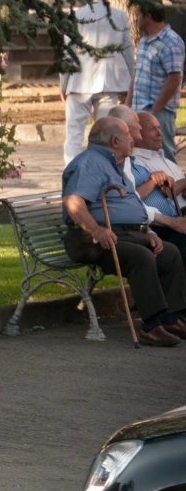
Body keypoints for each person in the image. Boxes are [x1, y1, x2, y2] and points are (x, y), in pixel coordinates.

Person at [62, 116, 186, 347]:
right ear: (115, 141)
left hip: (125, 233)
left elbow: (134, 207)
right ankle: (151, 327)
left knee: (169, 253)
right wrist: (97, 230)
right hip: (92, 239)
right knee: (141, 257)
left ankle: (170, 319)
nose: (133, 139)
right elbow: (73, 202)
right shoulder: (90, 163)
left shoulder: (117, 165)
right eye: (129, 135)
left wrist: (149, 232)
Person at [60, 0, 134, 165]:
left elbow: (67, 53)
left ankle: (73, 174)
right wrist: (129, 82)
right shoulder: (119, 16)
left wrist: (63, 84)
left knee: (74, 134)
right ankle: (104, 174)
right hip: (109, 82)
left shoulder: (75, 16)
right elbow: (127, 51)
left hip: (79, 81)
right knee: (106, 135)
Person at [126, 0, 185, 161]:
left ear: (148, 16)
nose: (136, 18)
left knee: (164, 157)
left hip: (159, 114)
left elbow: (174, 78)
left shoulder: (171, 41)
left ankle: (172, 186)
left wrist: (155, 111)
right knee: (141, 158)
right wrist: (127, 107)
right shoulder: (145, 40)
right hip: (139, 112)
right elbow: (136, 75)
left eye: (138, 14)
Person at [132, 111, 186, 212]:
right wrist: (184, 182)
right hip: (177, 218)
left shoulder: (162, 158)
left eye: (159, 128)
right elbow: (164, 195)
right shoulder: (136, 163)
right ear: (137, 133)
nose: (159, 134)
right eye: (153, 129)